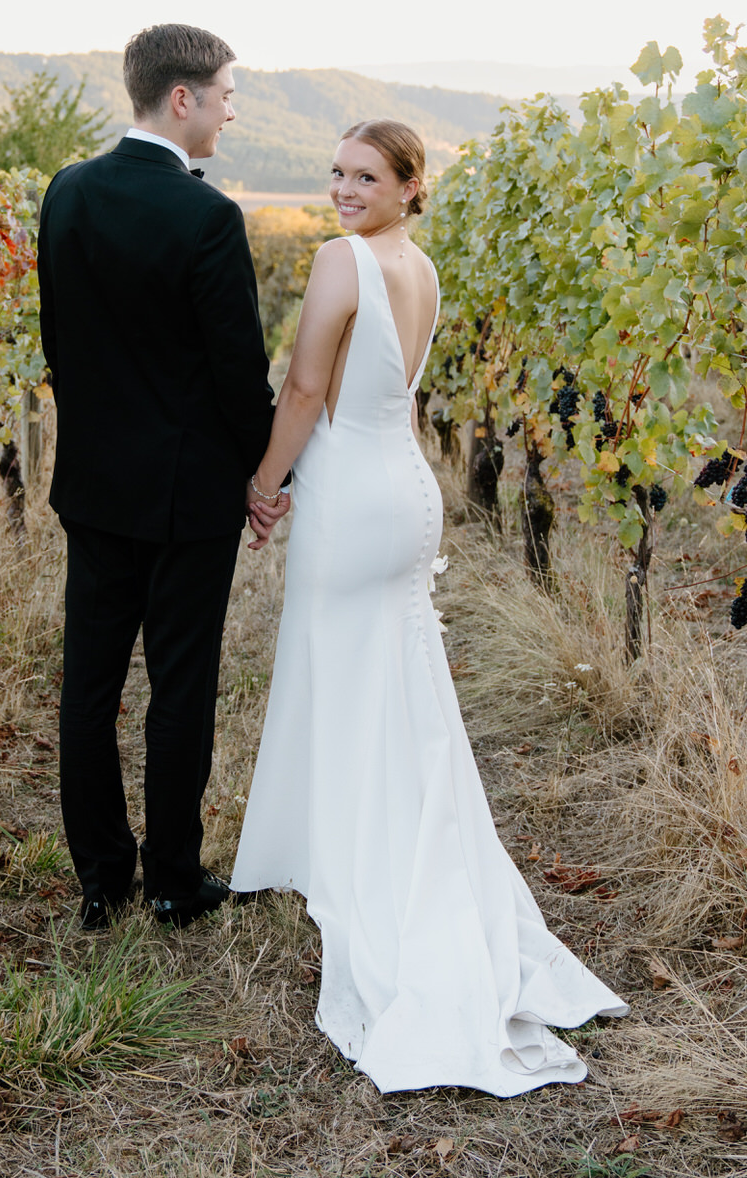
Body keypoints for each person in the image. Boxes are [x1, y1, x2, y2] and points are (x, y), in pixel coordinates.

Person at [233, 119, 627, 1096]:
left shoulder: (339, 262)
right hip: (407, 492)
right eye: (335, 172)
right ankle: (401, 850)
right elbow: (396, 400)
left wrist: (264, 485)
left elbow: (303, 387)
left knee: (345, 673)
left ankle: (359, 866)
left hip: (351, 496)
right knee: (401, 687)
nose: (342, 189)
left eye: (366, 175)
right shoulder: (424, 269)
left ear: (411, 184)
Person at [38, 23, 287, 930]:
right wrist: (267, 476)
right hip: (187, 500)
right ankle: (176, 882)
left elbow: (57, 345)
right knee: (181, 688)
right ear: (181, 99)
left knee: (89, 688)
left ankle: (103, 879)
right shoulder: (208, 217)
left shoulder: (66, 192)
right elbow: (237, 375)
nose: (230, 111)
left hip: (94, 489)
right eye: (225, 95)